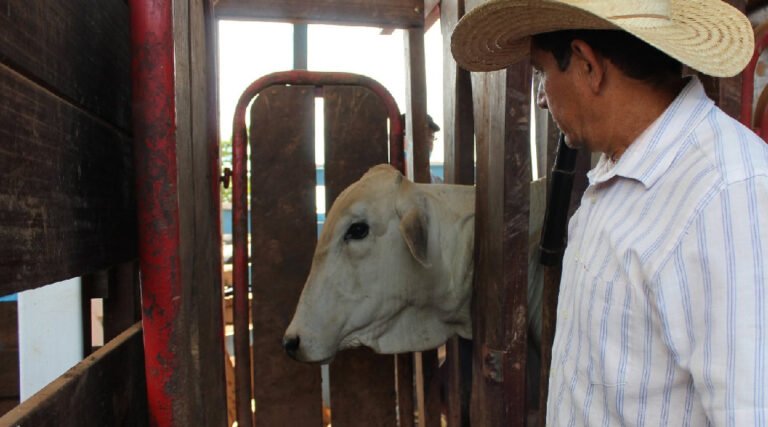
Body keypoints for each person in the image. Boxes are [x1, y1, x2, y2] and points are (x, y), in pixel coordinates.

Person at [452, 1, 768, 425]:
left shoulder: (729, 194)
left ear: (587, 65)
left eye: (542, 72)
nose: (542, 97)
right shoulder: (622, 169)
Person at [401, 113, 442, 182]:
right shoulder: (385, 179)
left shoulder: (438, 183)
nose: (428, 141)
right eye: (421, 136)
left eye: (431, 136)